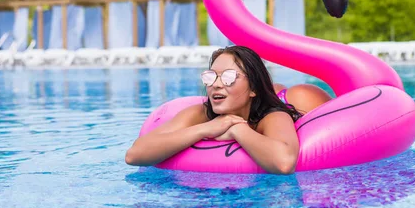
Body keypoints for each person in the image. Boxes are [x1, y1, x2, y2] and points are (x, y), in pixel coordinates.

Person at [125, 46, 330, 175]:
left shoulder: (273, 115)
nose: (216, 84)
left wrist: (236, 130)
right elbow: (134, 155)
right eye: (210, 77)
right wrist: (205, 129)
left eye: (229, 77)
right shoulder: (201, 113)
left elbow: (284, 163)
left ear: (253, 88)